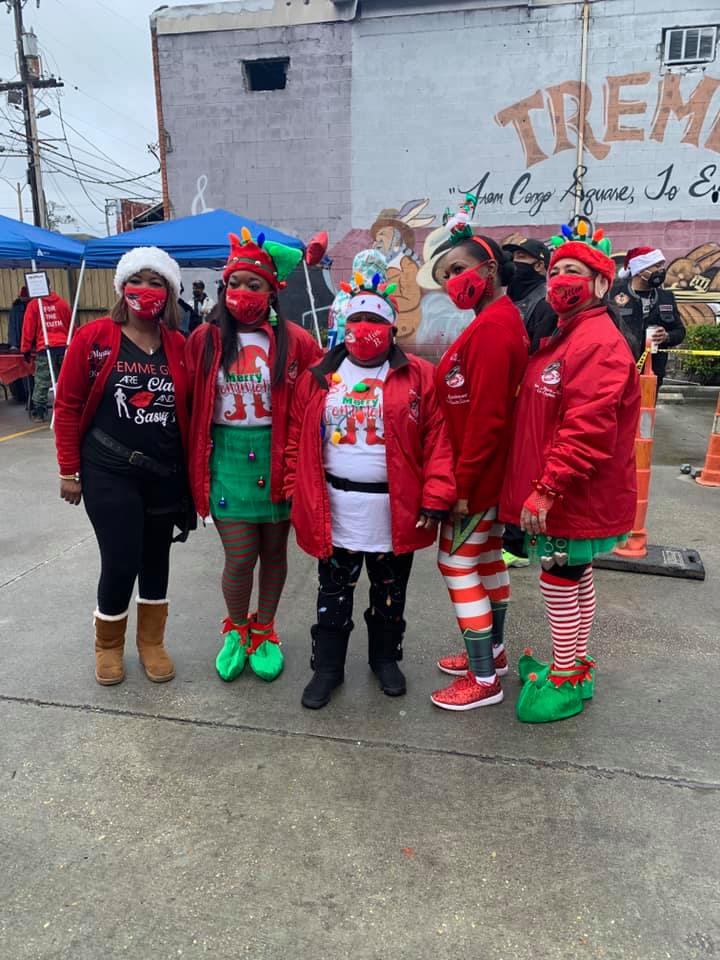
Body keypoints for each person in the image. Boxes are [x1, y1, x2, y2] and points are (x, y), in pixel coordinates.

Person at [285, 274, 455, 710]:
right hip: (335, 507)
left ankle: (384, 659)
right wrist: (293, 490)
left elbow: (438, 439)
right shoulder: (319, 375)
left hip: (394, 508)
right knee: (333, 591)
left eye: (373, 320)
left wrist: (436, 496)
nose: (364, 328)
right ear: (343, 324)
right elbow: (295, 438)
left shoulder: (419, 375)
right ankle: (327, 668)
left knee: (389, 592)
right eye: (356, 319)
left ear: (391, 328)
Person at [501, 222, 640, 723]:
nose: (560, 279)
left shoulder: (596, 342)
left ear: (602, 284)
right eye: (556, 270)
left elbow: (587, 428)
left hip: (573, 494)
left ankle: (563, 676)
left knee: (559, 576)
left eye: (574, 272)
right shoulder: (570, 333)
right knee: (575, 575)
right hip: (571, 492)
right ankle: (574, 665)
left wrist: (547, 488)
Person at [185, 228, 322, 684]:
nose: (242, 293)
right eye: (235, 284)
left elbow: (322, 394)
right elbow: (187, 403)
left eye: (253, 285)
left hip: (278, 454)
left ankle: (265, 629)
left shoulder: (298, 341)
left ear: (272, 291)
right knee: (240, 557)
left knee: (274, 552)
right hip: (225, 458)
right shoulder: (204, 340)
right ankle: (236, 626)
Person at [54, 247, 192, 687]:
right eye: (139, 281)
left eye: (157, 283)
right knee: (120, 559)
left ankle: (151, 643)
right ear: (122, 287)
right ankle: (108, 646)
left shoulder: (179, 344)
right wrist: (68, 470)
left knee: (157, 558)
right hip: (108, 469)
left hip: (164, 472)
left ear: (169, 293)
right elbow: (69, 404)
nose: (146, 290)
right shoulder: (93, 337)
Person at [428, 220, 529, 711]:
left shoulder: (492, 329)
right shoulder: (494, 321)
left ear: (489, 268)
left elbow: (487, 418)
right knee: (486, 559)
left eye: (459, 269)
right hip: (487, 472)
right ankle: (494, 653)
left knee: (454, 562)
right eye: (445, 274)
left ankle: (484, 678)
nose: (452, 282)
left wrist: (463, 485)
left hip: (479, 475)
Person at [611, 246, 685, 390]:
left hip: (652, 374)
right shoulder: (613, 293)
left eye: (661, 266)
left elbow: (680, 331)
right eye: (656, 266)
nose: (660, 271)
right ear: (640, 270)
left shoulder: (666, 298)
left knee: (646, 412)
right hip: (618, 371)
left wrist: (667, 336)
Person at [21, 286, 72, 421]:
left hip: (45, 347)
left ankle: (39, 412)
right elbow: (70, 325)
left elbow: (28, 328)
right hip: (63, 347)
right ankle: (69, 409)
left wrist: (25, 349)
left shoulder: (34, 305)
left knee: (42, 381)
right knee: (66, 381)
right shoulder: (62, 303)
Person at [503, 237, 557, 349]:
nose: (513, 262)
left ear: (539, 266)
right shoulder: (509, 299)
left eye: (521, 257)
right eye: (513, 257)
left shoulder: (547, 305)